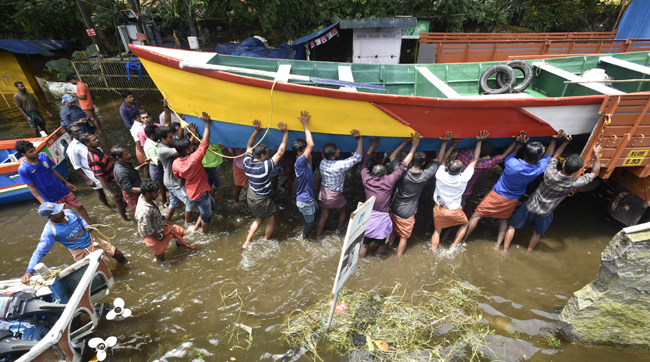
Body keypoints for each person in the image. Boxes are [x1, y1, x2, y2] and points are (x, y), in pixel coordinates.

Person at [463, 130, 564, 247]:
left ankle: (464, 240)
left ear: (524, 153)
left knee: (476, 216)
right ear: (538, 158)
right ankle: (498, 245)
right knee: (504, 220)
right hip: (512, 199)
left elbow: (512, 153)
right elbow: (548, 156)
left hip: (496, 194)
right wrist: (554, 139)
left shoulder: (511, 163)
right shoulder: (537, 169)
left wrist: (519, 143)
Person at [503, 139, 602, 252]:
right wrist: (597, 155)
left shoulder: (549, 173)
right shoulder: (573, 184)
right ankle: (529, 251)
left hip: (530, 206)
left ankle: (505, 250)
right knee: (536, 234)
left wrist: (564, 142)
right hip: (545, 212)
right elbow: (595, 173)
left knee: (512, 226)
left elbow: (554, 157)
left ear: (564, 164)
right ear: (577, 170)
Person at [21, 203, 126, 285]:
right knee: (98, 274)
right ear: (49, 217)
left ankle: (126, 268)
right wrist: (29, 271)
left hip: (92, 240)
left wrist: (85, 225)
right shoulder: (50, 232)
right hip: (80, 251)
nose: (62, 211)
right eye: (58, 211)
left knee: (119, 255)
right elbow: (39, 251)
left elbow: (79, 219)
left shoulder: (68, 212)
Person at [389, 134, 456, 257]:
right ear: (424, 163)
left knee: (393, 230)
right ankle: (398, 259)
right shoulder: (425, 175)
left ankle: (389, 246)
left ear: (411, 161)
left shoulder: (401, 172)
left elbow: (392, 156)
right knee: (404, 237)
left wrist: (408, 144)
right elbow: (439, 161)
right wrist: (445, 142)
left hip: (394, 207)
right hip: (408, 213)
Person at [359, 133, 420, 258]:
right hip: (382, 222)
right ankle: (379, 261)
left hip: (368, 220)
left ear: (371, 173)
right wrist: (413, 146)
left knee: (364, 245)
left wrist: (371, 147)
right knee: (382, 245)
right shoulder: (389, 181)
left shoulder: (367, 181)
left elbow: (363, 164)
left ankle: (361, 263)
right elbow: (403, 166)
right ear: (385, 173)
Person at [431, 131, 489, 254]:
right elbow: (475, 160)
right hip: (454, 210)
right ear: (460, 171)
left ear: (448, 168)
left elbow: (442, 159)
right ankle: (452, 248)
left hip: (439, 208)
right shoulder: (463, 178)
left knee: (437, 231)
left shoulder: (440, 175)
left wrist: (447, 143)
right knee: (465, 224)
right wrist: (479, 141)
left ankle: (433, 252)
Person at [15, 140, 92, 223]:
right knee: (62, 216)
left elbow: (53, 171)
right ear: (23, 154)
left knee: (79, 206)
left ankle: (90, 223)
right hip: (50, 197)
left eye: (34, 149)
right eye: (31, 152)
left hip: (62, 190)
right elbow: (31, 187)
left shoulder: (43, 157)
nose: (35, 152)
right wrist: (43, 202)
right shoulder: (23, 169)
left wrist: (66, 182)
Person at [242, 119, 290, 248]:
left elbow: (248, 146)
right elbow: (280, 152)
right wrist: (285, 133)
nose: (269, 156)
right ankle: (264, 242)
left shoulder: (247, 163)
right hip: (262, 199)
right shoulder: (265, 167)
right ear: (262, 155)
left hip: (251, 196)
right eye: (267, 154)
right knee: (271, 222)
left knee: (258, 219)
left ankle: (247, 242)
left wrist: (256, 130)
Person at [315, 130, 363, 238]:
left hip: (323, 194)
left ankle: (317, 236)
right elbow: (357, 157)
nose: (339, 151)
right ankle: (337, 231)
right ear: (332, 157)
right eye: (337, 151)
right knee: (344, 211)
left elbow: (320, 176)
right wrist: (359, 139)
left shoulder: (322, 162)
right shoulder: (339, 165)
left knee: (324, 216)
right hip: (335, 196)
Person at [172, 112, 216, 234]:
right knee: (207, 215)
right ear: (187, 150)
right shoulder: (194, 159)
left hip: (192, 192)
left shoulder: (176, 163)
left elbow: (178, 176)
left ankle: (196, 227)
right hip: (201, 194)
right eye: (191, 147)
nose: (193, 147)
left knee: (211, 206)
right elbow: (205, 142)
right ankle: (204, 234)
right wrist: (207, 123)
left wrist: (192, 134)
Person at [456, 132, 526, 206]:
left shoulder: (462, 153)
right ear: (487, 155)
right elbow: (504, 155)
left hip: (452, 184)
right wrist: (516, 141)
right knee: (459, 207)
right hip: (464, 191)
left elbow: (462, 149)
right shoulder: (483, 165)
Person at [135, 179, 194, 263]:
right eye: (156, 192)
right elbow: (145, 230)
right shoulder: (144, 211)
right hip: (153, 234)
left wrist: (165, 220)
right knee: (160, 255)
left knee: (178, 231)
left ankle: (179, 248)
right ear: (148, 193)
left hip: (161, 225)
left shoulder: (144, 196)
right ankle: (162, 268)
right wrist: (159, 236)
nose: (158, 194)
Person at [82, 133, 129, 221]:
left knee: (124, 197)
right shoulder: (93, 158)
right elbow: (100, 177)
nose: (97, 140)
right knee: (118, 201)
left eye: (95, 138)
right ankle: (125, 219)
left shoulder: (97, 150)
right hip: (110, 182)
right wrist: (111, 191)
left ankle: (122, 213)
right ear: (87, 143)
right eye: (93, 140)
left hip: (114, 178)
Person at [157, 126, 195, 223]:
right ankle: (187, 223)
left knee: (174, 202)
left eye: (172, 136)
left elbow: (181, 142)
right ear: (163, 139)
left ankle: (167, 220)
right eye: (170, 137)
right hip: (173, 181)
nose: (173, 138)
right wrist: (193, 136)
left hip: (172, 180)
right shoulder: (162, 150)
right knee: (189, 201)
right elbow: (183, 149)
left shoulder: (169, 144)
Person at [65, 124, 109, 207]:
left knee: (110, 185)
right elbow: (77, 166)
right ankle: (107, 206)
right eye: (76, 131)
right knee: (100, 190)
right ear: (71, 134)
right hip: (91, 172)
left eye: (80, 129)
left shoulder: (88, 139)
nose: (80, 132)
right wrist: (88, 180)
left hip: (103, 166)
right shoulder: (72, 148)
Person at [292, 110, 319, 240]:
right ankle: (304, 238)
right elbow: (311, 144)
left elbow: (310, 159)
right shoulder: (300, 162)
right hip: (305, 200)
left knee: (317, 210)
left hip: (308, 197)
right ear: (299, 152)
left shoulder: (302, 161)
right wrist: (305, 124)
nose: (307, 151)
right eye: (304, 150)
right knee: (310, 223)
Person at [112, 145, 148, 215]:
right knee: (141, 214)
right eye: (126, 154)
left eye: (128, 153)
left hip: (138, 188)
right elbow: (129, 189)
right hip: (132, 195)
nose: (129, 155)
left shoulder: (125, 163)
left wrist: (144, 164)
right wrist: (147, 190)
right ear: (118, 158)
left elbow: (133, 170)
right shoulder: (121, 171)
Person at [144, 124, 167, 205]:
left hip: (158, 168)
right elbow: (158, 162)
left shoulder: (153, 141)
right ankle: (164, 205)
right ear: (153, 135)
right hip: (157, 169)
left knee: (163, 188)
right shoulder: (150, 147)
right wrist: (167, 152)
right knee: (161, 190)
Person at [134, 109, 158, 179]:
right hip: (153, 153)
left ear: (150, 117)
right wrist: (145, 156)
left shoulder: (158, 126)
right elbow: (144, 146)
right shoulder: (140, 132)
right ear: (141, 119)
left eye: (147, 117)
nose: (146, 119)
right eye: (143, 118)